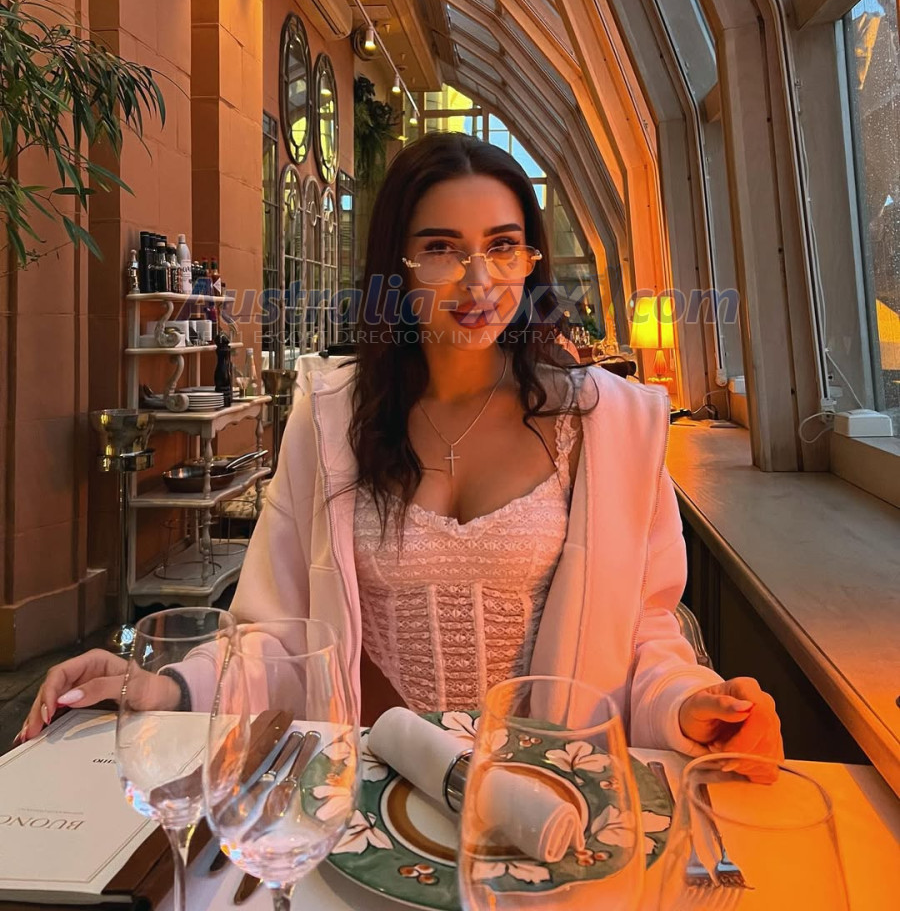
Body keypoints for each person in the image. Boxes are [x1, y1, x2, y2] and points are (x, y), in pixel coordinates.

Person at [20, 133, 782, 777]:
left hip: (551, 792)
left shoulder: (607, 425)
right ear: (398, 266)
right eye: (441, 249)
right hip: (374, 797)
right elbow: (283, 637)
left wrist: (691, 705)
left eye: (502, 247)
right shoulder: (333, 418)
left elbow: (642, 632)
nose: (478, 281)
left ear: (530, 261)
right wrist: (163, 687)